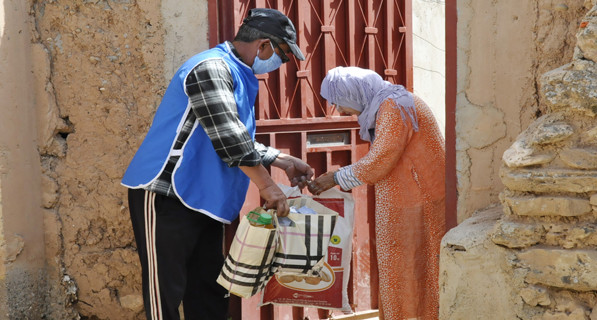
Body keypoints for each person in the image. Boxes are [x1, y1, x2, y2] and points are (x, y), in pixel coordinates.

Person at [120, 8, 313, 320]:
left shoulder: (237, 72)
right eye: (283, 55)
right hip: (167, 192)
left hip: (206, 198)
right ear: (263, 45)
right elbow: (231, 140)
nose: (281, 64)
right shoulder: (211, 67)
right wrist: (268, 187)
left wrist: (282, 160)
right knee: (164, 293)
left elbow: (233, 135)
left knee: (208, 289)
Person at [308, 66, 445, 319]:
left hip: (416, 200)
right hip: (409, 197)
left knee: (406, 270)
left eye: (340, 103)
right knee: (405, 270)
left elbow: (381, 159)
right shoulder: (390, 102)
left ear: (354, 93)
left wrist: (336, 178)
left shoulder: (393, 106)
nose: (340, 111)